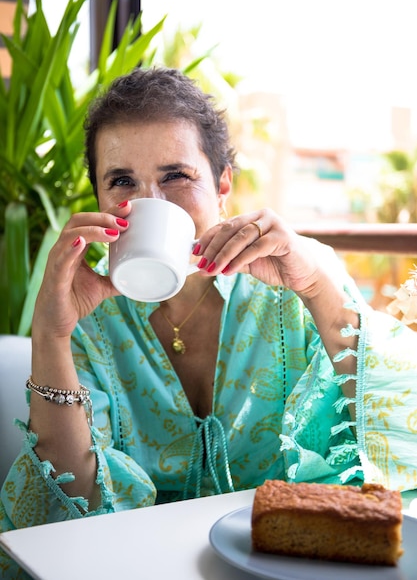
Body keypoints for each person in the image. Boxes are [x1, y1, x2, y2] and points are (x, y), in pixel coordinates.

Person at [1, 67, 417, 576]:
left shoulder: (301, 278)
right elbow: (62, 509)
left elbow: (402, 445)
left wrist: (315, 290)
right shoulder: (86, 307)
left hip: (281, 564)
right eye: (122, 181)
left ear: (222, 186)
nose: (150, 201)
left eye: (176, 176)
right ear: (100, 199)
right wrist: (52, 333)